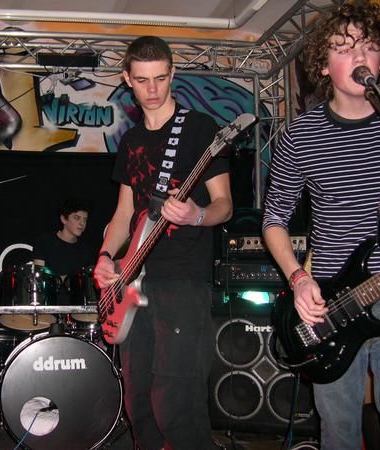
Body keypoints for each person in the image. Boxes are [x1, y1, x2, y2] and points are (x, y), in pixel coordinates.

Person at [93, 36, 233, 449]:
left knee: (176, 405)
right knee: (139, 404)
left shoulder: (200, 129)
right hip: (134, 283)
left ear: (173, 74)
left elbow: (224, 205)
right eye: (142, 80)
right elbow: (124, 214)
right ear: (127, 79)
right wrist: (105, 256)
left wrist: (197, 215)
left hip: (182, 282)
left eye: (160, 78)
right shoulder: (131, 141)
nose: (152, 89)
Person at [262, 2, 380, 449]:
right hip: (331, 305)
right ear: (324, 66)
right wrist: (297, 278)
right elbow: (274, 219)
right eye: (345, 48)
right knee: (340, 432)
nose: (361, 56)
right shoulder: (302, 135)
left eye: (369, 46)